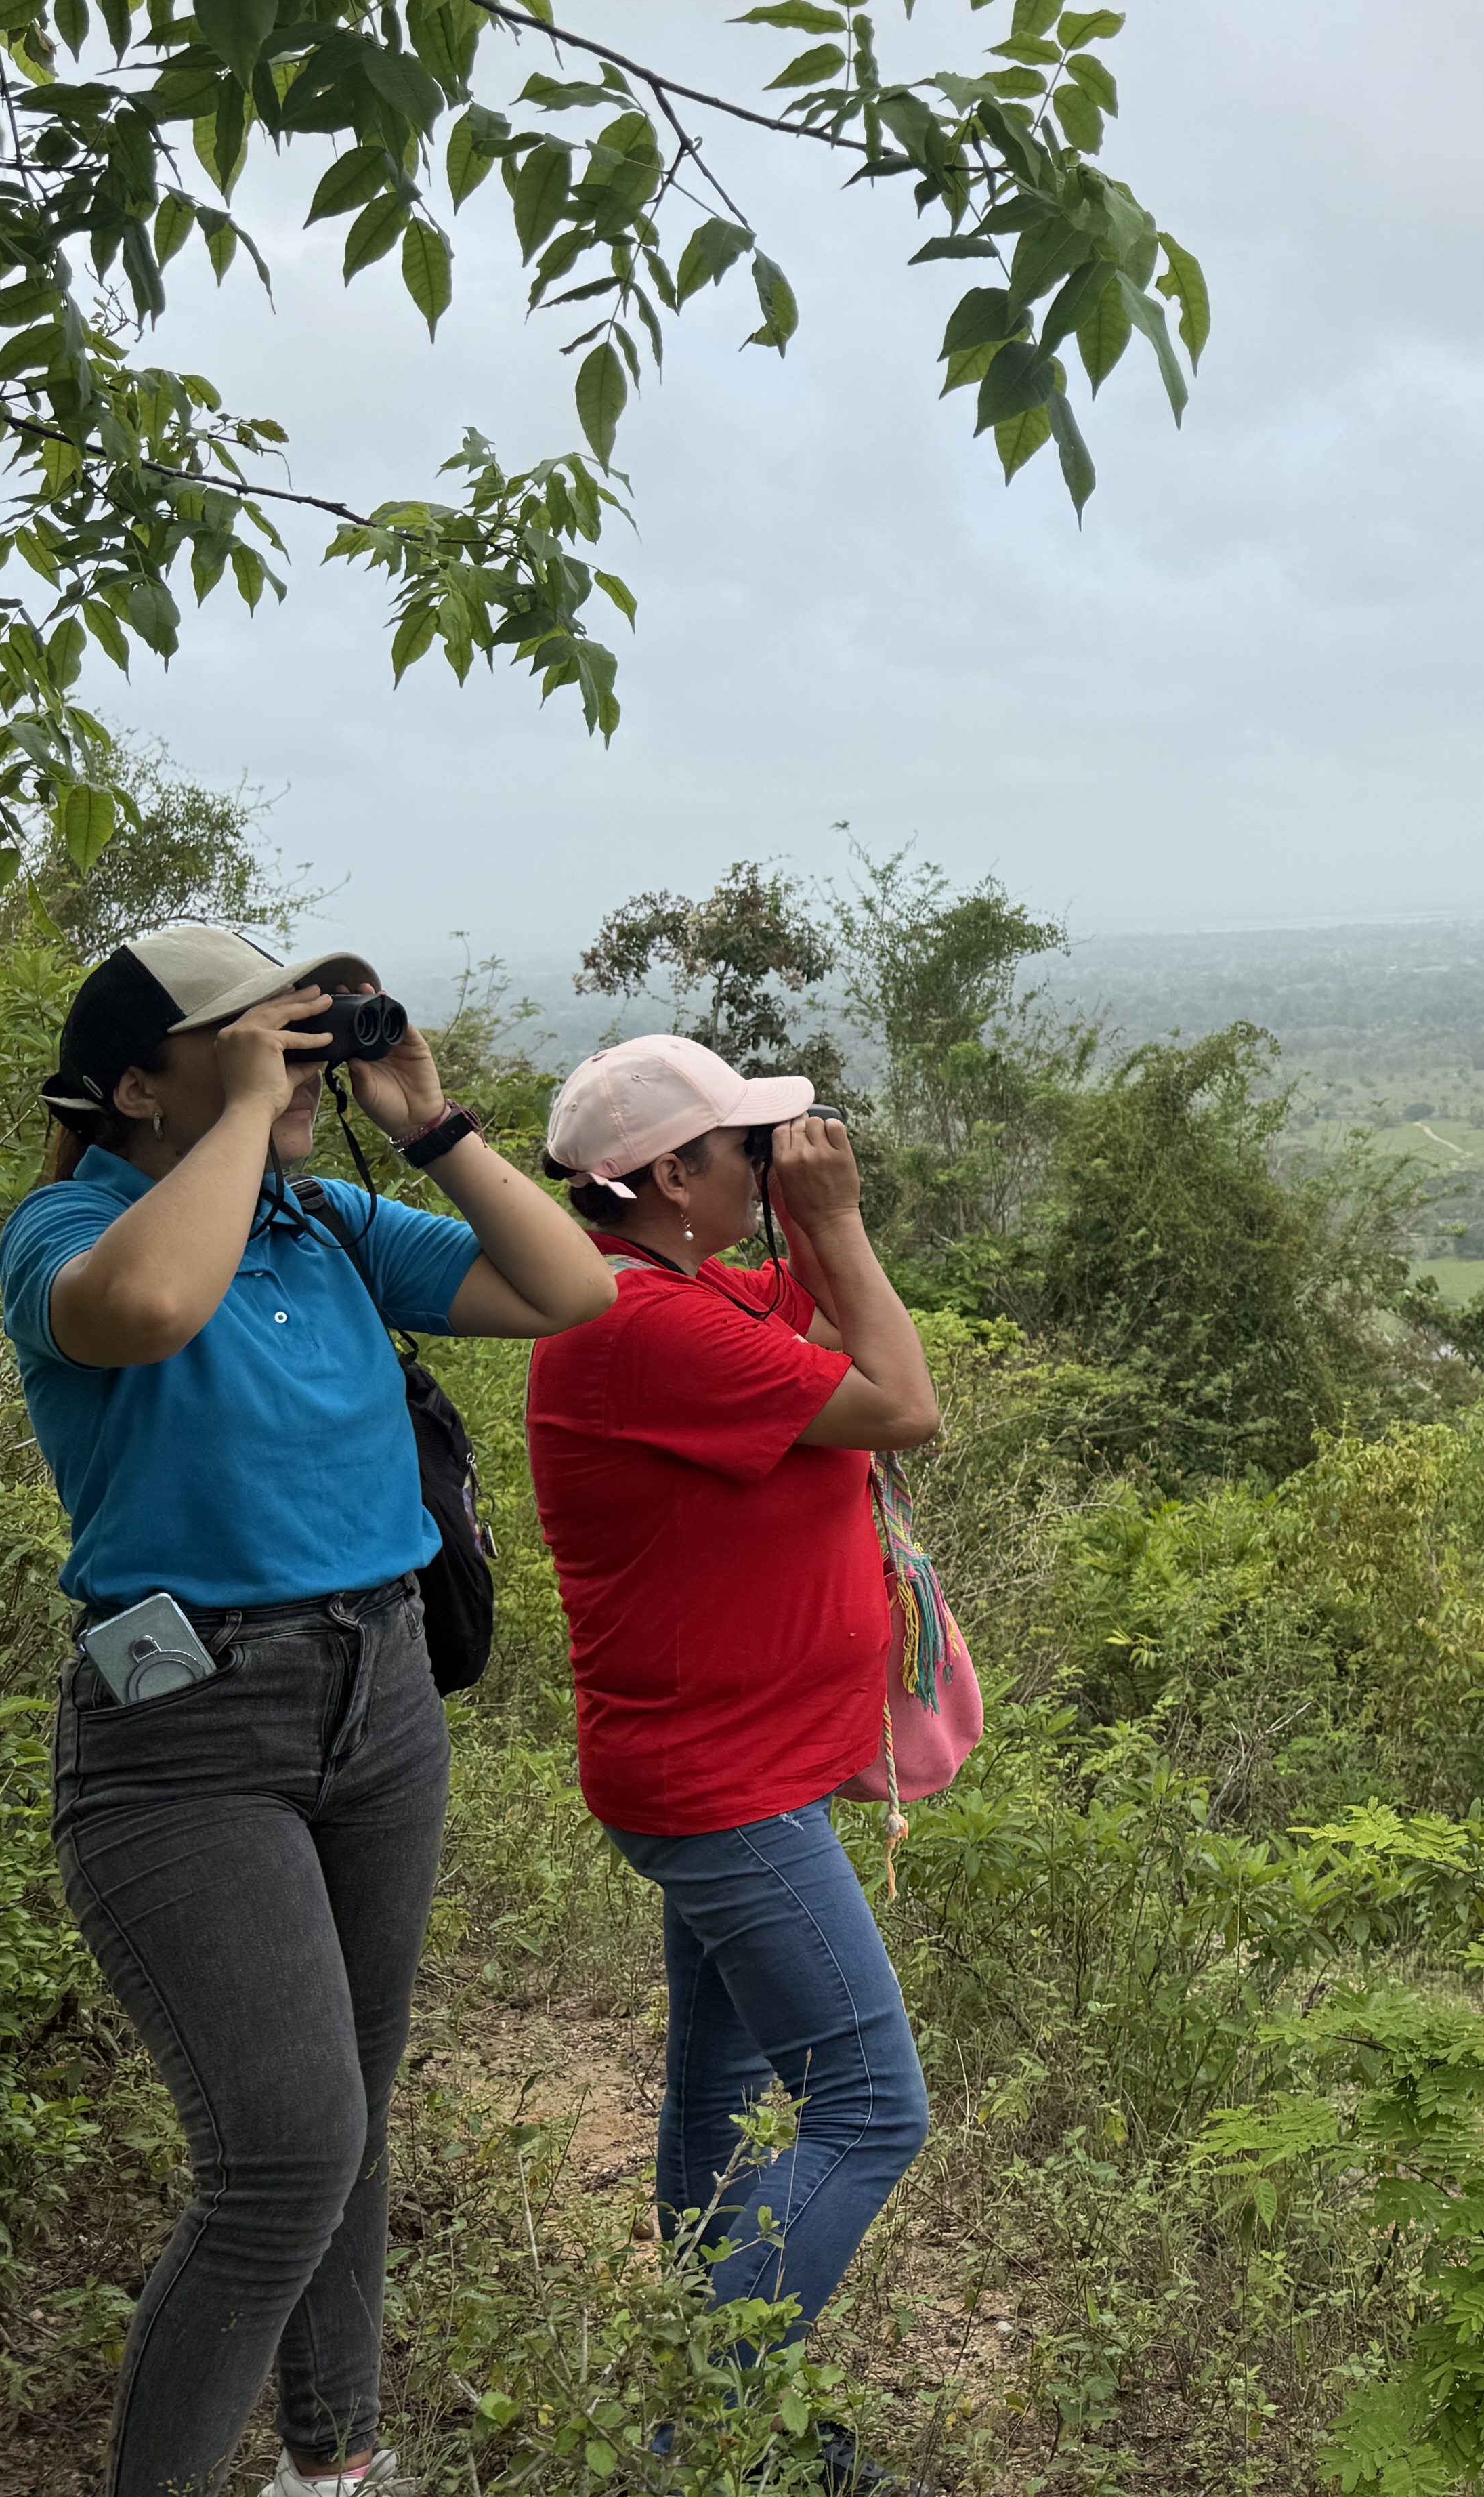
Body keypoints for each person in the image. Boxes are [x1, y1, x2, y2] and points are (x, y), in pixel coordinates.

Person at [0, 925, 616, 2497]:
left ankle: (334, 2466)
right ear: (138, 1086)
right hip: (186, 1732)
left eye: (299, 1032)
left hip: (382, 1694)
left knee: (351, 2111)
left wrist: (429, 1123)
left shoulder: (324, 1221)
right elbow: (147, 1307)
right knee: (281, 2157)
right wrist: (239, 1117)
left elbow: (571, 1289)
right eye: (244, 1035)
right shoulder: (68, 1228)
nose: (289, 1056)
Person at [523, 1036, 946, 2456]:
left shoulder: (684, 1290)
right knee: (871, 2112)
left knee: (721, 2090)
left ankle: (716, 2407)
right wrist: (837, 1217)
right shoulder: (640, 1325)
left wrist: (806, 1219)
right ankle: (710, 2425)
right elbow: (904, 1404)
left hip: (733, 1775)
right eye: (746, 1151)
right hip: (723, 1793)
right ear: (666, 1177)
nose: (770, 1167)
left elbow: (821, 1308)